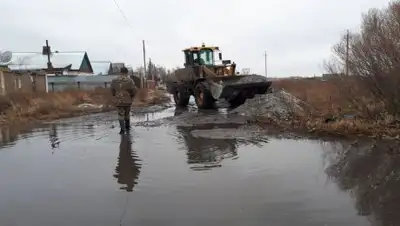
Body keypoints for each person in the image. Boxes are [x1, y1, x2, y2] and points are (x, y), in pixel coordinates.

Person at [111, 67, 137, 134]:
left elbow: (112, 90)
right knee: (127, 114)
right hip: (127, 100)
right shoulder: (130, 80)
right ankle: (127, 127)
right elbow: (134, 90)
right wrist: (132, 96)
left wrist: (114, 95)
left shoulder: (114, 80)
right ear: (126, 72)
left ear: (120, 72)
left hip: (118, 100)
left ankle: (122, 130)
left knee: (120, 114)